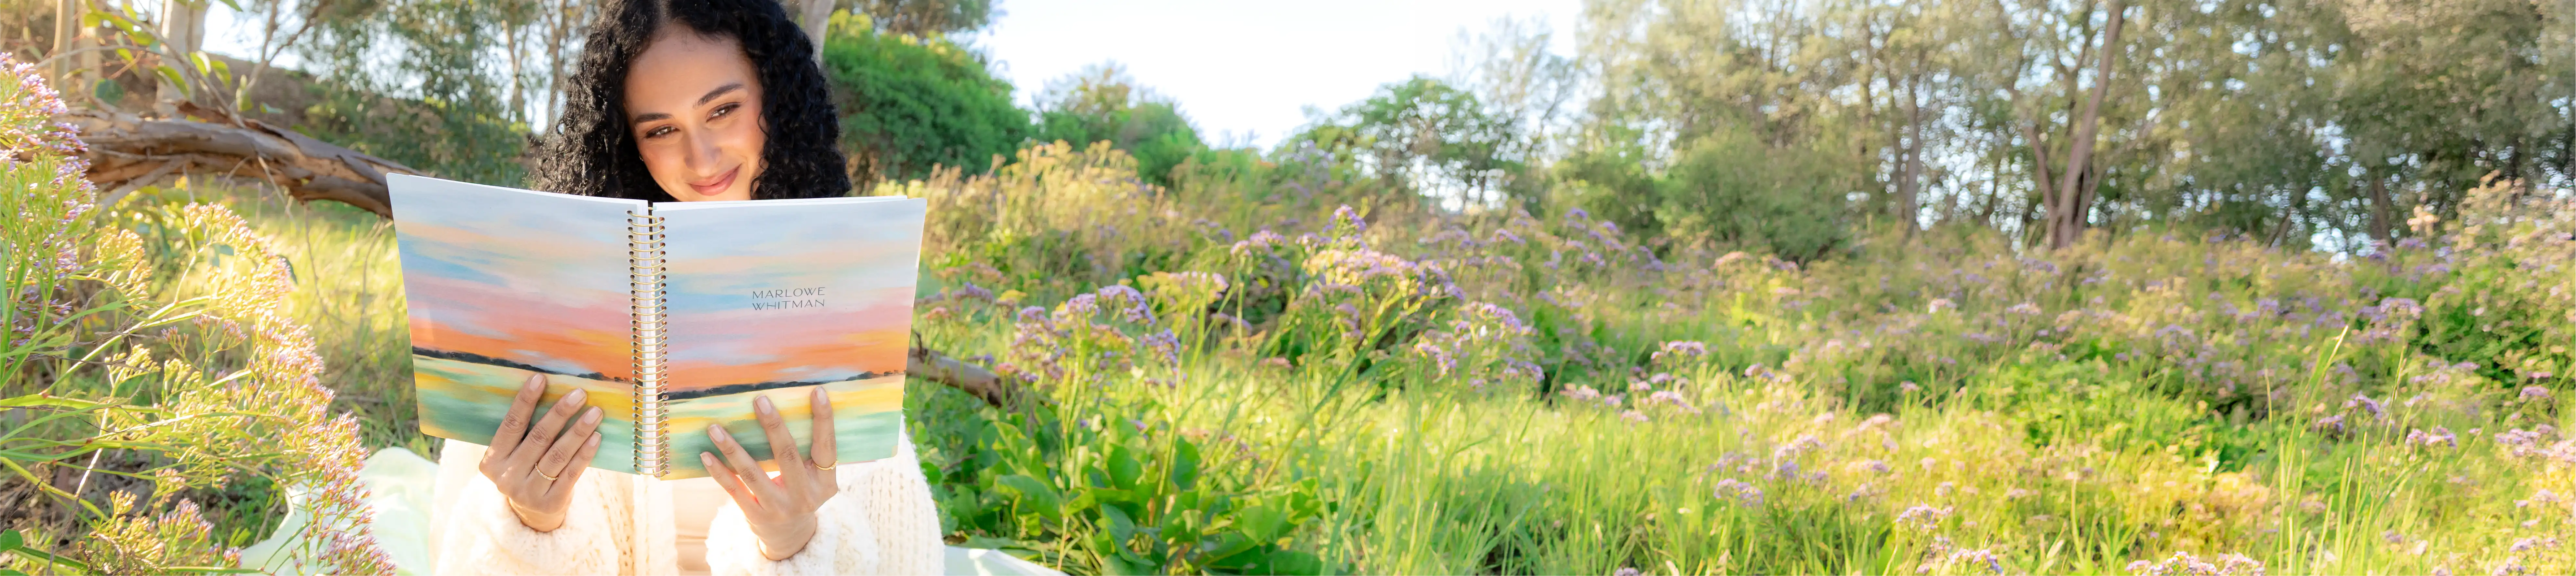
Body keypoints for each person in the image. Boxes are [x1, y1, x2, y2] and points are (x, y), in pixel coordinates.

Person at [404, 0, 1033, 574]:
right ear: (630, 144)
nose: (702, 159)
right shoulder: (546, 296)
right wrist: (531, 522)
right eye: (660, 130)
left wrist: (792, 542)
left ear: (776, 98)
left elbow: (901, 557)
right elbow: (458, 557)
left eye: (723, 110)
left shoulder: (843, 283)